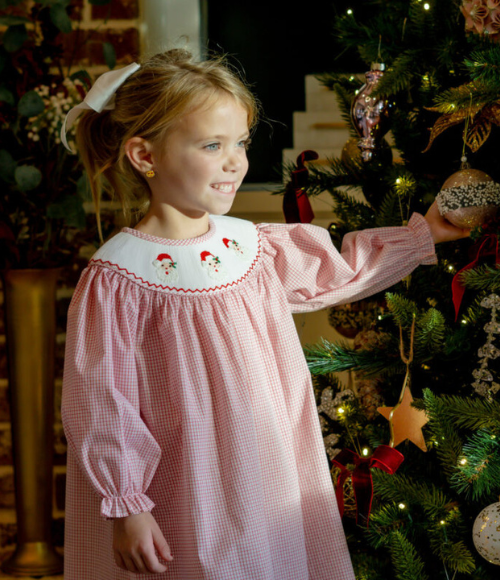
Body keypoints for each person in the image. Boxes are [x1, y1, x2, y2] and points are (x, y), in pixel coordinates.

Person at [60, 49, 469, 580]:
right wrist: (128, 503)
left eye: (241, 143)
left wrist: (422, 236)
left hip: (265, 473)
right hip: (180, 483)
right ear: (144, 155)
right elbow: (100, 402)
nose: (236, 161)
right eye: (212, 145)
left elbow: (338, 269)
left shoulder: (251, 248)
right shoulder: (119, 276)